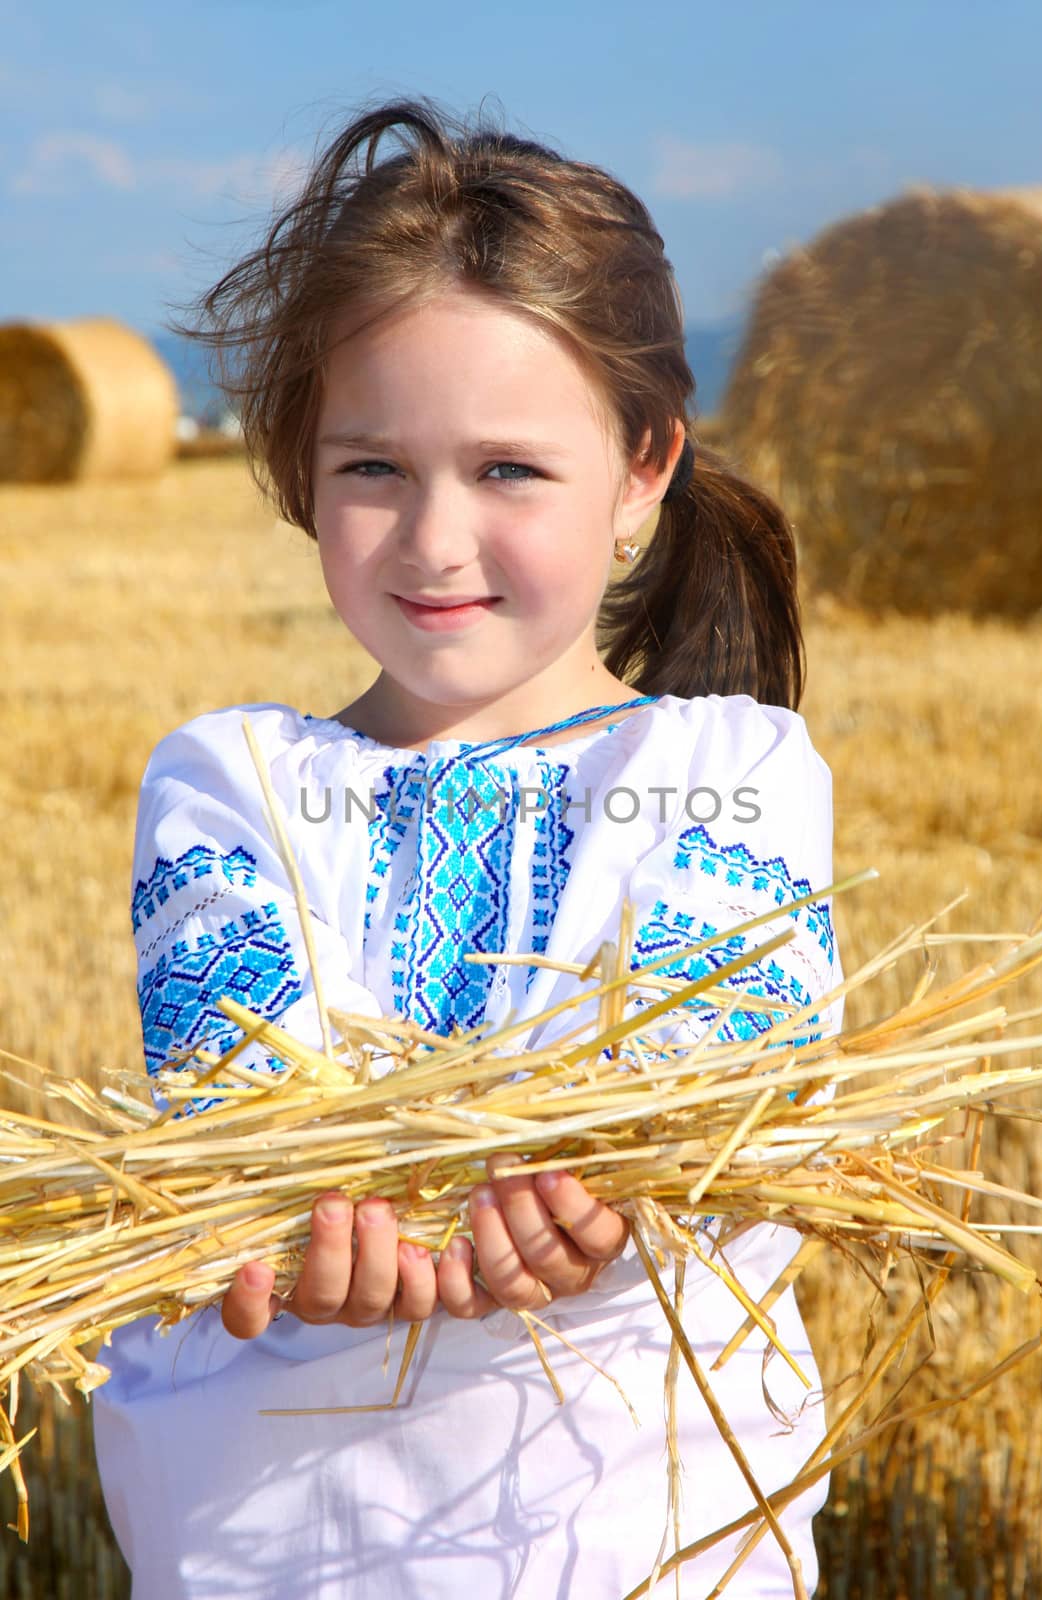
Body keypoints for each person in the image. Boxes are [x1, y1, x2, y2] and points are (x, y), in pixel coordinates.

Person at [92, 94, 845, 1599]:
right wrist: (311, 1221)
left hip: (627, 1526)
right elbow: (238, 1099)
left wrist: (607, 1200)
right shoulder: (231, 781)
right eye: (373, 467)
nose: (434, 541)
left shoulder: (728, 773)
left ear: (641, 471)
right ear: (302, 466)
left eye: (508, 471)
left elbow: (710, 1088)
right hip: (281, 1529)